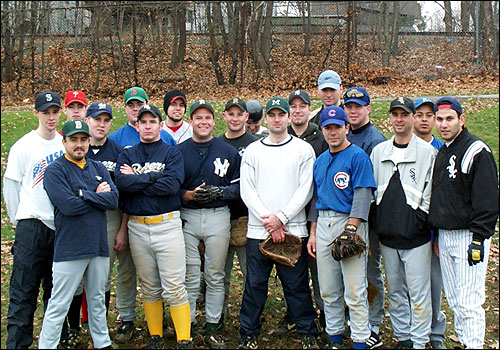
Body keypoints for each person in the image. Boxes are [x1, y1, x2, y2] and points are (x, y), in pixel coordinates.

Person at [238, 97, 319, 349]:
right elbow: (247, 190)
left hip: (293, 229)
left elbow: (305, 189)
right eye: (271, 115)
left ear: (287, 118)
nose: (276, 119)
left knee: (296, 286)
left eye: (280, 114)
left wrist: (282, 218)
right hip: (258, 230)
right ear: (267, 118)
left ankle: (307, 331)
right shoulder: (253, 151)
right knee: (254, 284)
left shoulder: (303, 150)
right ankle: (249, 332)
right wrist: (269, 220)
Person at [115, 104, 193, 349]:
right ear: (136, 125)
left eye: (152, 122)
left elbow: (171, 187)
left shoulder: (171, 153)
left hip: (167, 225)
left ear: (160, 125)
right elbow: (121, 185)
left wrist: (137, 180)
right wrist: (153, 178)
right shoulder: (127, 154)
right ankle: (156, 337)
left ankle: (184, 339)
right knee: (149, 286)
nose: (147, 126)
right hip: (138, 227)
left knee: (174, 286)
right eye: (143, 122)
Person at [39, 119, 119, 349]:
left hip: (98, 245)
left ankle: (102, 343)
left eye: (83, 139)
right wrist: (95, 195)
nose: (79, 144)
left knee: (96, 301)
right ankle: (48, 345)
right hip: (70, 247)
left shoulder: (97, 168)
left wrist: (83, 194)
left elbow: (113, 200)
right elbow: (68, 206)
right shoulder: (55, 170)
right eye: (73, 140)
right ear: (64, 141)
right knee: (59, 303)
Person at [429, 96, 499, 349]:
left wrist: (479, 237)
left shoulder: (476, 150)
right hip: (446, 236)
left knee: (469, 301)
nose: (444, 124)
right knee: (456, 300)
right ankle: (465, 342)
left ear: (462, 119)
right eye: (440, 119)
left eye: (450, 119)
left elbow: (488, 200)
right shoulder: (444, 150)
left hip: (469, 236)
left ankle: (474, 345)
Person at [307, 106, 376, 349]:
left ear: (347, 128)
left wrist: (351, 228)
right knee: (328, 289)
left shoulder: (358, 156)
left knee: (355, 290)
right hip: (323, 224)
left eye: (338, 127)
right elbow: (316, 199)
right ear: (322, 130)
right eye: (328, 127)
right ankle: (334, 337)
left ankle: (360, 340)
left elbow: (363, 193)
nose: (333, 132)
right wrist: (313, 233)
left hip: (349, 222)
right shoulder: (321, 160)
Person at [370, 97, 437, 349]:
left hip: (416, 237)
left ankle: (419, 341)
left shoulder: (427, 153)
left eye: (404, 114)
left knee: (418, 294)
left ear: (412, 117)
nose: (399, 119)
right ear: (390, 118)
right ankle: (404, 338)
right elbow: (374, 193)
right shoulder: (379, 152)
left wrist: (420, 220)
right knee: (396, 290)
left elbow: (431, 193)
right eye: (395, 114)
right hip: (388, 237)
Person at [3, 91, 65, 349]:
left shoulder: (64, 143)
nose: (51, 117)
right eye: (46, 112)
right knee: (24, 291)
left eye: (54, 112)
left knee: (56, 292)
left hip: (59, 225)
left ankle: (54, 341)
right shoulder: (24, 146)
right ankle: (18, 342)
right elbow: (11, 187)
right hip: (31, 225)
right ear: (36, 114)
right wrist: (21, 219)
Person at [178, 99, 241, 349]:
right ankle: (188, 325)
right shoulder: (179, 151)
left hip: (218, 214)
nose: (203, 122)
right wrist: (188, 194)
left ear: (214, 121)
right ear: (191, 121)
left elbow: (238, 188)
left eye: (207, 118)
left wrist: (219, 193)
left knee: (215, 273)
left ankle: (213, 325)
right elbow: (170, 187)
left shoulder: (228, 151)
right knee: (190, 275)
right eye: (198, 118)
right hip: (188, 215)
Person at [83, 102, 140, 344]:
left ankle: (126, 318)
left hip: (113, 216)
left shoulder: (119, 151)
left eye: (106, 120)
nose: (102, 124)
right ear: (88, 121)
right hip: (83, 218)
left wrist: (123, 228)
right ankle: (96, 323)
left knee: (126, 270)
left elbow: (127, 194)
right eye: (97, 120)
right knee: (96, 275)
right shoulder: (78, 148)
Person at [273, 90, 327, 339]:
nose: (297, 110)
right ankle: (294, 313)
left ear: (309, 109)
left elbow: (318, 186)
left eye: (301, 106)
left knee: (319, 272)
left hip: (313, 216)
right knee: (291, 271)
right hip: (286, 220)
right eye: (292, 106)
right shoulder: (277, 138)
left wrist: (315, 224)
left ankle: (326, 316)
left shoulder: (320, 138)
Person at [343, 87, 387, 348]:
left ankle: (374, 324)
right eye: (349, 106)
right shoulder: (344, 133)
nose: (353, 111)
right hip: (344, 216)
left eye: (358, 106)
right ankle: (356, 319)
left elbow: (376, 187)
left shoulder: (375, 140)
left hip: (369, 218)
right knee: (349, 272)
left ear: (368, 109)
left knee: (369, 272)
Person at [218, 97, 258, 330]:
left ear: (246, 117)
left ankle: (249, 317)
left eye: (239, 114)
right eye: (230, 114)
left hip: (248, 217)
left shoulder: (256, 144)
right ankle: (218, 315)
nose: (234, 118)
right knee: (219, 273)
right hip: (221, 215)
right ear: (224, 116)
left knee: (249, 274)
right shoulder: (215, 144)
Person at [413, 97, 446, 349]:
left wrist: (437, 234)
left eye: (429, 114)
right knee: (409, 286)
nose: (424, 119)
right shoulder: (404, 146)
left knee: (434, 285)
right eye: (419, 114)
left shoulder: (443, 151)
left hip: (433, 231)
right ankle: (414, 331)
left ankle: (436, 334)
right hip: (409, 231)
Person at [108, 86, 175, 148]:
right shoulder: (114, 140)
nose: (135, 108)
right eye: (131, 105)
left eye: (139, 104)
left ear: (147, 104)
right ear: (125, 108)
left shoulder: (166, 138)